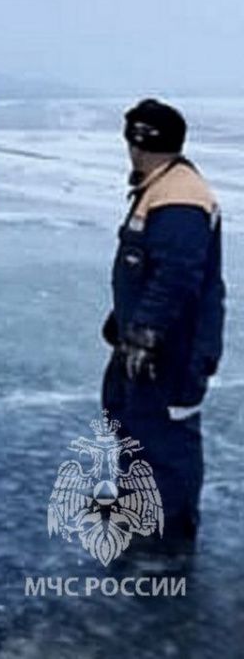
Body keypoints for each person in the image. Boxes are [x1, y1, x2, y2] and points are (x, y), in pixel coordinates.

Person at [102, 98, 225, 560]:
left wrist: (147, 329)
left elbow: (177, 273)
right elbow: (145, 269)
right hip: (144, 345)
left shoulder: (181, 196)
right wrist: (124, 322)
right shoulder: (160, 187)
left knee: (166, 439)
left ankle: (168, 536)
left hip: (172, 351)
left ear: (139, 142)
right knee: (133, 424)